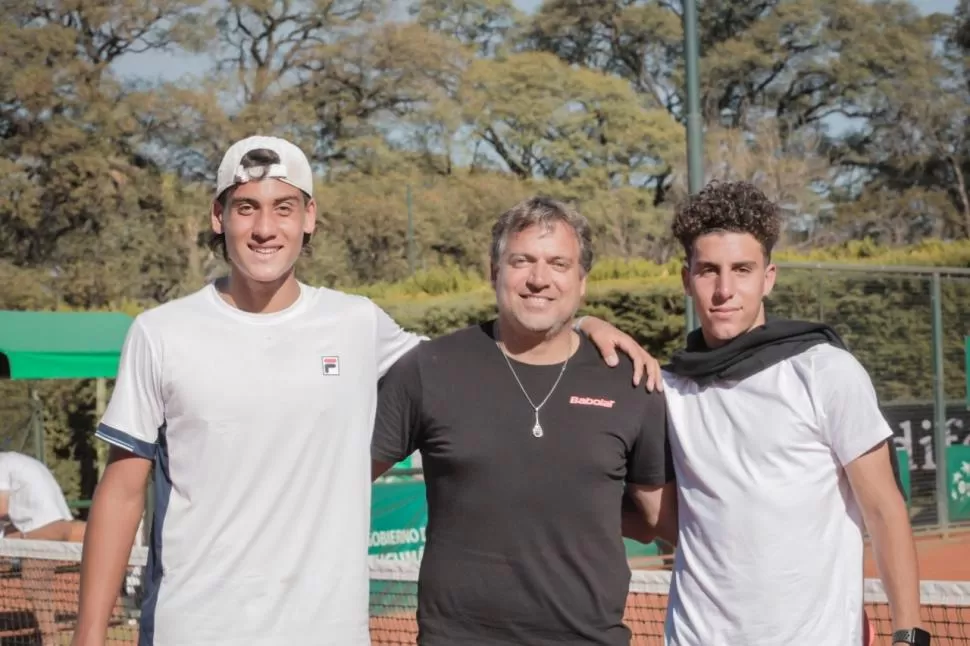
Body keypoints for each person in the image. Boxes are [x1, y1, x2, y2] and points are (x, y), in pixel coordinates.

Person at [71, 135, 664, 646]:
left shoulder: (358, 324)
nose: (264, 227)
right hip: (193, 626)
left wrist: (583, 325)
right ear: (217, 215)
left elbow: (497, 350)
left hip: (329, 630)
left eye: (283, 207)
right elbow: (122, 495)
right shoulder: (160, 333)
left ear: (309, 217)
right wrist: (89, 636)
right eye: (245, 207)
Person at [371, 196, 679, 646]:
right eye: (522, 261)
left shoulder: (631, 382)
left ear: (582, 281)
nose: (539, 279)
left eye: (558, 263)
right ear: (494, 272)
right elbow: (341, 480)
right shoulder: (429, 369)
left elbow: (655, 519)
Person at [640, 180, 926, 646]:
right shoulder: (667, 388)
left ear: (768, 277)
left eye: (743, 269)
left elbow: (884, 510)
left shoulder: (826, 370)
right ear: (686, 277)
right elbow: (664, 517)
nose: (724, 289)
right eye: (709, 270)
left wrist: (909, 634)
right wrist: (587, 323)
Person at [0, 451, 86, 646]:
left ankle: (50, 641)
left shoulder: (2, 464)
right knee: (37, 585)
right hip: (61, 524)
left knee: (34, 585)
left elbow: (2, 509)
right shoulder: (17, 460)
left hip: (42, 528)